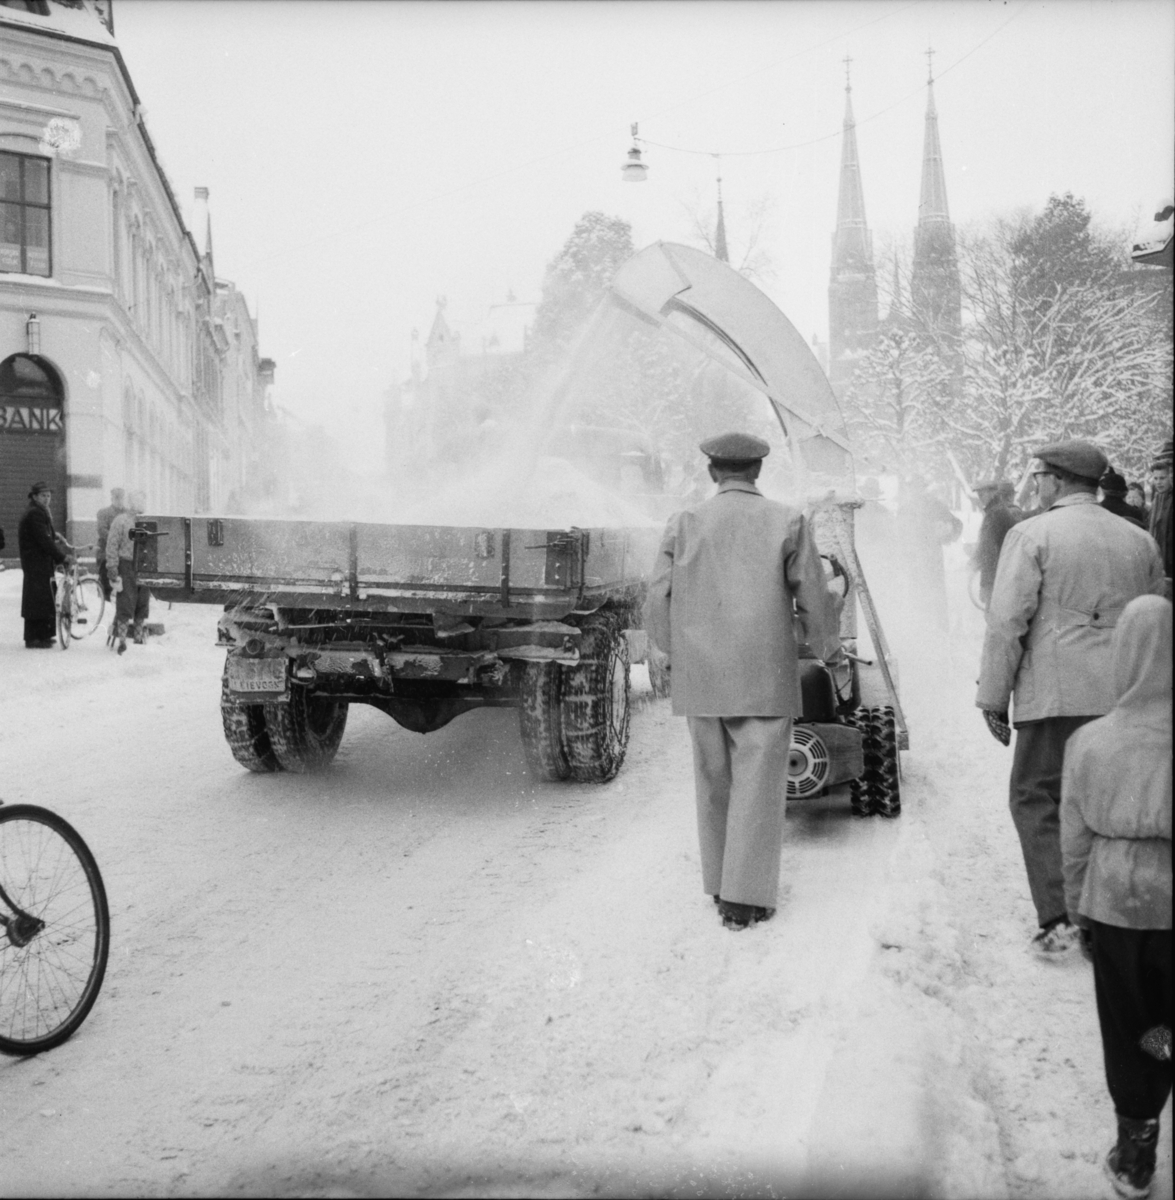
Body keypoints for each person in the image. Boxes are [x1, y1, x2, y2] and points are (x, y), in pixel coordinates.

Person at [977, 439, 1165, 957]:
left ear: (1058, 480)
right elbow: (1155, 616)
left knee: (1036, 797)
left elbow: (1006, 622)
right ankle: (1111, 917)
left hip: (1055, 698)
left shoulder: (1032, 534)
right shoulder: (1138, 539)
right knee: (1110, 804)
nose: (1033, 486)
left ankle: (1059, 915)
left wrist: (993, 697)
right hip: (1124, 698)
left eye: (1038, 477)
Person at [644, 432, 839, 931]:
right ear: (757, 472)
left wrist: (664, 651)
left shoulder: (684, 523)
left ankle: (718, 885)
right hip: (764, 674)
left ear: (713, 471)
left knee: (713, 781)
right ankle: (745, 898)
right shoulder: (786, 520)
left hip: (703, 676)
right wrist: (828, 650)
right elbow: (813, 595)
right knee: (758, 784)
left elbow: (658, 594)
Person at [1060, 595, 1171, 1200]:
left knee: (1133, 1025)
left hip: (1118, 903)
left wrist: (1079, 910)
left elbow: (1074, 840)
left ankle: (1136, 1149)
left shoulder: (1091, 742)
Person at [895, 474, 962, 631]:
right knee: (918, 592)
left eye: (917, 487)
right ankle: (923, 630)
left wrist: (946, 536)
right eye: (912, 488)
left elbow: (956, 525)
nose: (914, 491)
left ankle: (939, 629)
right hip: (915, 559)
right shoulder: (905, 509)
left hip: (930, 557)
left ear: (922, 489)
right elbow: (898, 534)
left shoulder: (934, 505)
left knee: (934, 592)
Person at [17, 482, 70, 649]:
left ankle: (44, 635)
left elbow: (44, 535)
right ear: (34, 496)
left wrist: (56, 535)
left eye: (49, 496)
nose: (47, 499)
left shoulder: (38, 511)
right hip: (36, 562)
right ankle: (33, 638)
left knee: (45, 598)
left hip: (39, 562)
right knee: (37, 599)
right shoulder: (35, 513)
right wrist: (62, 557)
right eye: (43, 496)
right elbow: (43, 539)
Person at [105, 490, 150, 654]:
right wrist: (112, 567)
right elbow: (112, 545)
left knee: (142, 604)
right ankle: (122, 641)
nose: (141, 505)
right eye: (138, 501)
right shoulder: (121, 521)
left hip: (144, 567)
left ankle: (138, 639)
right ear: (131, 503)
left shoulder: (148, 522)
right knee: (125, 602)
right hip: (126, 566)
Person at [972, 478, 1022, 608]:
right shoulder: (997, 511)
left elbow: (989, 551)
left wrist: (986, 584)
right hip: (1005, 577)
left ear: (993, 492)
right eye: (978, 494)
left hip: (998, 579)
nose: (980, 497)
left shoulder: (995, 514)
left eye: (982, 493)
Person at [1147, 439, 1172, 587]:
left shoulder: (1169, 499)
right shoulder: (1157, 499)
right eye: (1155, 478)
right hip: (1160, 556)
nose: (1158, 482)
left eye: (1162, 478)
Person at [94, 487, 125, 601]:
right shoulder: (104, 513)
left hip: (124, 553)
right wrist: (118, 540)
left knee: (125, 583)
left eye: (121, 498)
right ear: (112, 498)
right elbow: (102, 531)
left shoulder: (128, 514)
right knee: (105, 581)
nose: (119, 500)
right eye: (117, 498)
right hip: (106, 551)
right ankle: (104, 602)